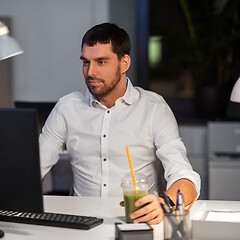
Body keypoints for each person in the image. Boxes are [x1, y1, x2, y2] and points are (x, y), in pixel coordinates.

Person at [39, 23, 200, 225]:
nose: (90, 72)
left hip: (138, 222)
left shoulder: (154, 108)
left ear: (124, 63)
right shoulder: (66, 108)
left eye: (101, 62)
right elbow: (33, 166)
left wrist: (165, 203)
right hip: (80, 224)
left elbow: (184, 175)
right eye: (86, 62)